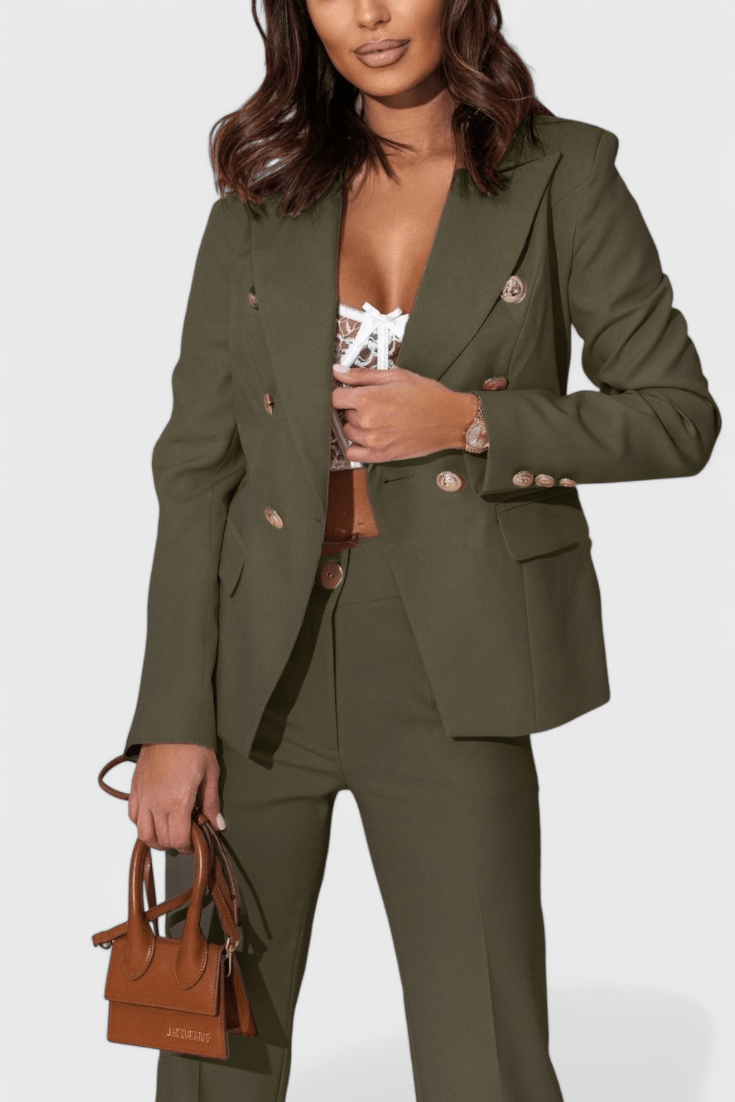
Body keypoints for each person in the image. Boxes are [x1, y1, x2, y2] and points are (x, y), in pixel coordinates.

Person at [120, 1, 722, 1099]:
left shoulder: (564, 172)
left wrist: (471, 422)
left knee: (483, 1052)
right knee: (213, 1050)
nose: (369, 14)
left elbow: (677, 417)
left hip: (453, 652)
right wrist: (170, 718)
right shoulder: (261, 193)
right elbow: (195, 471)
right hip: (258, 669)